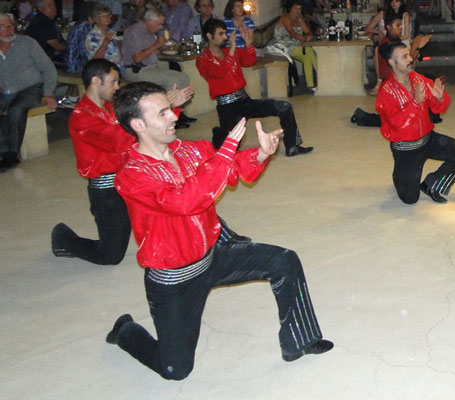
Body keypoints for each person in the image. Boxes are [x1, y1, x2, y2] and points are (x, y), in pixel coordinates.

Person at [105, 81, 332, 380]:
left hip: (214, 256)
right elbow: (185, 200)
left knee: (284, 261)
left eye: (170, 109)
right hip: (175, 280)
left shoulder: (188, 150)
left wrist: (261, 154)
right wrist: (225, 152)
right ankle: (126, 331)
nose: (174, 116)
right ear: (138, 124)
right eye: (162, 113)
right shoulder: (132, 175)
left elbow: (230, 167)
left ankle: (298, 341)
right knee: (176, 370)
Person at [51, 59, 194, 264]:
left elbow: (146, 129)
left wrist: (168, 110)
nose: (117, 87)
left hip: (133, 178)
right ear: (95, 81)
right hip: (108, 190)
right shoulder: (82, 117)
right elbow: (121, 139)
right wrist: (164, 107)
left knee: (181, 204)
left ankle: (221, 240)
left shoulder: (111, 107)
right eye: (113, 81)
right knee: (110, 254)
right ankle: (63, 238)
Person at [375, 41, 455, 204]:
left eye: (409, 55)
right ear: (392, 62)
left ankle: (432, 185)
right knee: (410, 199)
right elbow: (396, 123)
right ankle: (401, 174)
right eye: (404, 57)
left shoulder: (418, 79)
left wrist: (440, 98)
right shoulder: (386, 91)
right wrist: (414, 102)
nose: (410, 59)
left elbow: (436, 109)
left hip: (427, 139)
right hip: (406, 149)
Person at [198, 18, 313, 155]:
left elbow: (249, 61)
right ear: (209, 36)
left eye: (225, 33)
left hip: (245, 101)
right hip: (227, 108)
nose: (225, 37)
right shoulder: (203, 60)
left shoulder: (229, 51)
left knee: (284, 107)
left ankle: (293, 146)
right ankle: (219, 133)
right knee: (229, 147)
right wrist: (233, 49)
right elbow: (222, 72)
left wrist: (248, 44)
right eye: (221, 34)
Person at [0, 12, 59, 172]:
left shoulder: (27, 43)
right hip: (5, 91)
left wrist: (48, 92)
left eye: (10, 26)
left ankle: (12, 154)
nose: (9, 30)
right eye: (4, 27)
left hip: (31, 88)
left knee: (17, 109)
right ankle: (3, 150)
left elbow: (48, 68)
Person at [121, 8, 195, 128]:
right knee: (173, 80)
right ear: (149, 22)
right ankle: (169, 115)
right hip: (137, 70)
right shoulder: (134, 31)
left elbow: (150, 51)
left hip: (152, 67)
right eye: (159, 24)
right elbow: (137, 58)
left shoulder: (150, 31)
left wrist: (162, 47)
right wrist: (156, 45)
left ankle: (179, 112)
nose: (160, 27)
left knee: (183, 77)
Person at [275, 0, 318, 91]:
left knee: (307, 57)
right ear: (290, 9)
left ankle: (310, 85)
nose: (298, 11)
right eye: (295, 8)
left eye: (300, 9)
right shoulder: (285, 18)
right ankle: (323, 76)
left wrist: (306, 37)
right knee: (309, 50)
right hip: (284, 47)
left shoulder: (299, 19)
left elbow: (308, 31)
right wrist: (304, 38)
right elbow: (292, 33)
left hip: (296, 45)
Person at [25, 0, 66, 65]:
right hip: (42, 60)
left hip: (42, 57)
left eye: (54, 5)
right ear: (41, 9)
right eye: (49, 5)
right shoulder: (43, 22)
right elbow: (57, 46)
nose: (54, 8)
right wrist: (70, 48)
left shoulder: (46, 19)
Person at [64, 1, 97, 73]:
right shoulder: (84, 27)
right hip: (76, 66)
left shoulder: (80, 25)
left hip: (73, 63)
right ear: (90, 17)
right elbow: (85, 51)